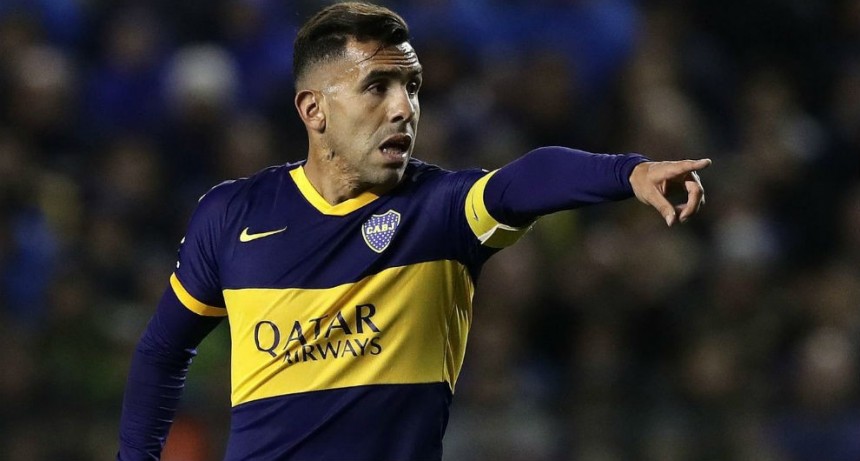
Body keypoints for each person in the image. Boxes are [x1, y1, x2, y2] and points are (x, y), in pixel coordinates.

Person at [116, 2, 711, 460]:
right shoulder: (231, 215)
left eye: (412, 87)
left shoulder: (440, 212)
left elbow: (525, 179)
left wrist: (627, 172)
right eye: (377, 87)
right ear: (313, 110)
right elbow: (163, 351)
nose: (403, 107)